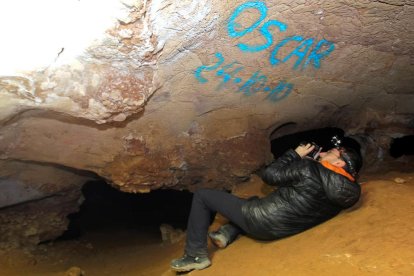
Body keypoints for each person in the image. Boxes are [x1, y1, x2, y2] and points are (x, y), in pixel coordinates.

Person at [170, 141, 363, 272]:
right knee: (254, 200)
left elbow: (270, 175)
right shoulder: (347, 193)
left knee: (203, 196)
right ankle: (228, 232)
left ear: (338, 162)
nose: (322, 152)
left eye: (328, 153)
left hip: (261, 222)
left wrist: (295, 155)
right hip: (281, 230)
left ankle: (195, 256)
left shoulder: (309, 169)